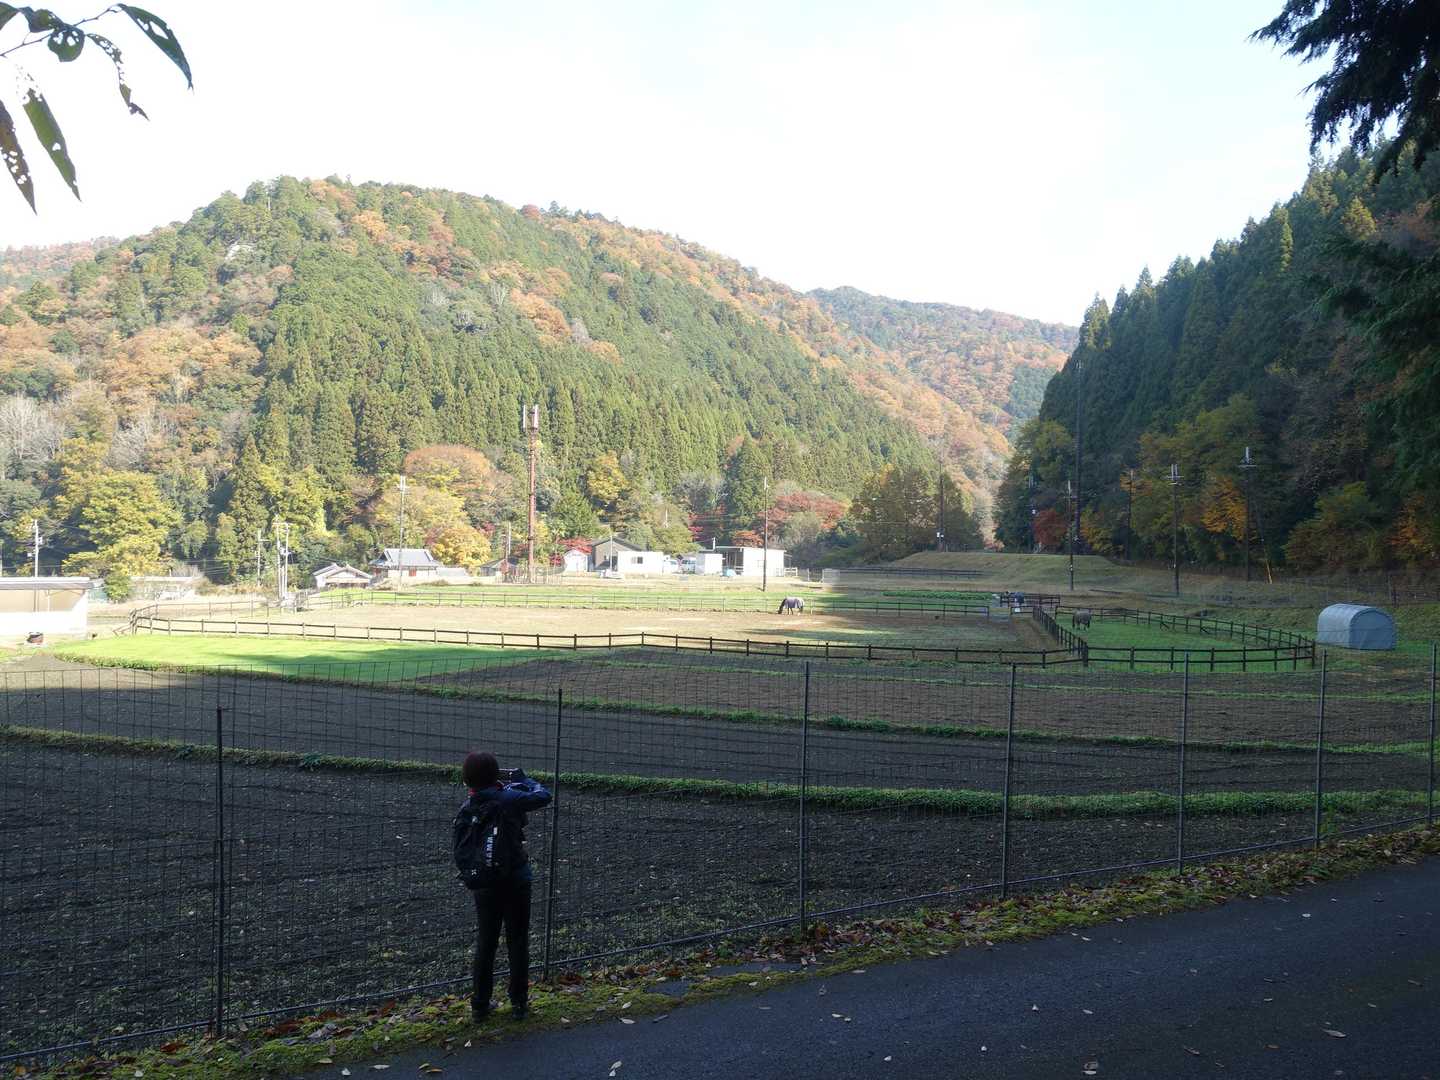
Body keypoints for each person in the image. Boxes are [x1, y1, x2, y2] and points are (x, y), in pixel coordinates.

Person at [457, 750, 552, 1022]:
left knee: (486, 942)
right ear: (494, 774)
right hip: (516, 879)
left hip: (484, 883)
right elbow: (544, 795)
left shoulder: (468, 806)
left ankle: (479, 1005)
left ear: (467, 779)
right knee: (517, 941)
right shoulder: (509, 798)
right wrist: (525, 779)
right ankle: (519, 1002)